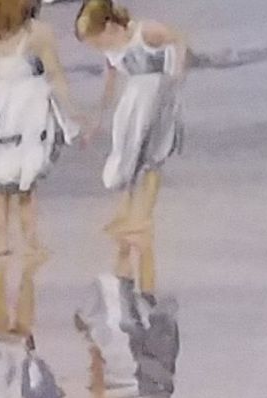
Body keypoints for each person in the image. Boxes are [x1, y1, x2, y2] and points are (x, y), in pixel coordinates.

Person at [0, 0, 85, 257]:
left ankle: (1, 243)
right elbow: (54, 74)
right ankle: (31, 242)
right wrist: (73, 111)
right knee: (26, 184)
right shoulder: (38, 32)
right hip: (30, 108)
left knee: (0, 187)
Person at [75, 0, 187, 237]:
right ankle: (124, 212)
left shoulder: (144, 32)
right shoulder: (111, 51)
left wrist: (176, 75)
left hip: (159, 96)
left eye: (96, 41)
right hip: (133, 103)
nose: (97, 47)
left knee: (153, 157)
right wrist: (97, 120)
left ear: (108, 26)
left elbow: (178, 39)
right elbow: (109, 88)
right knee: (128, 154)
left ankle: (144, 216)